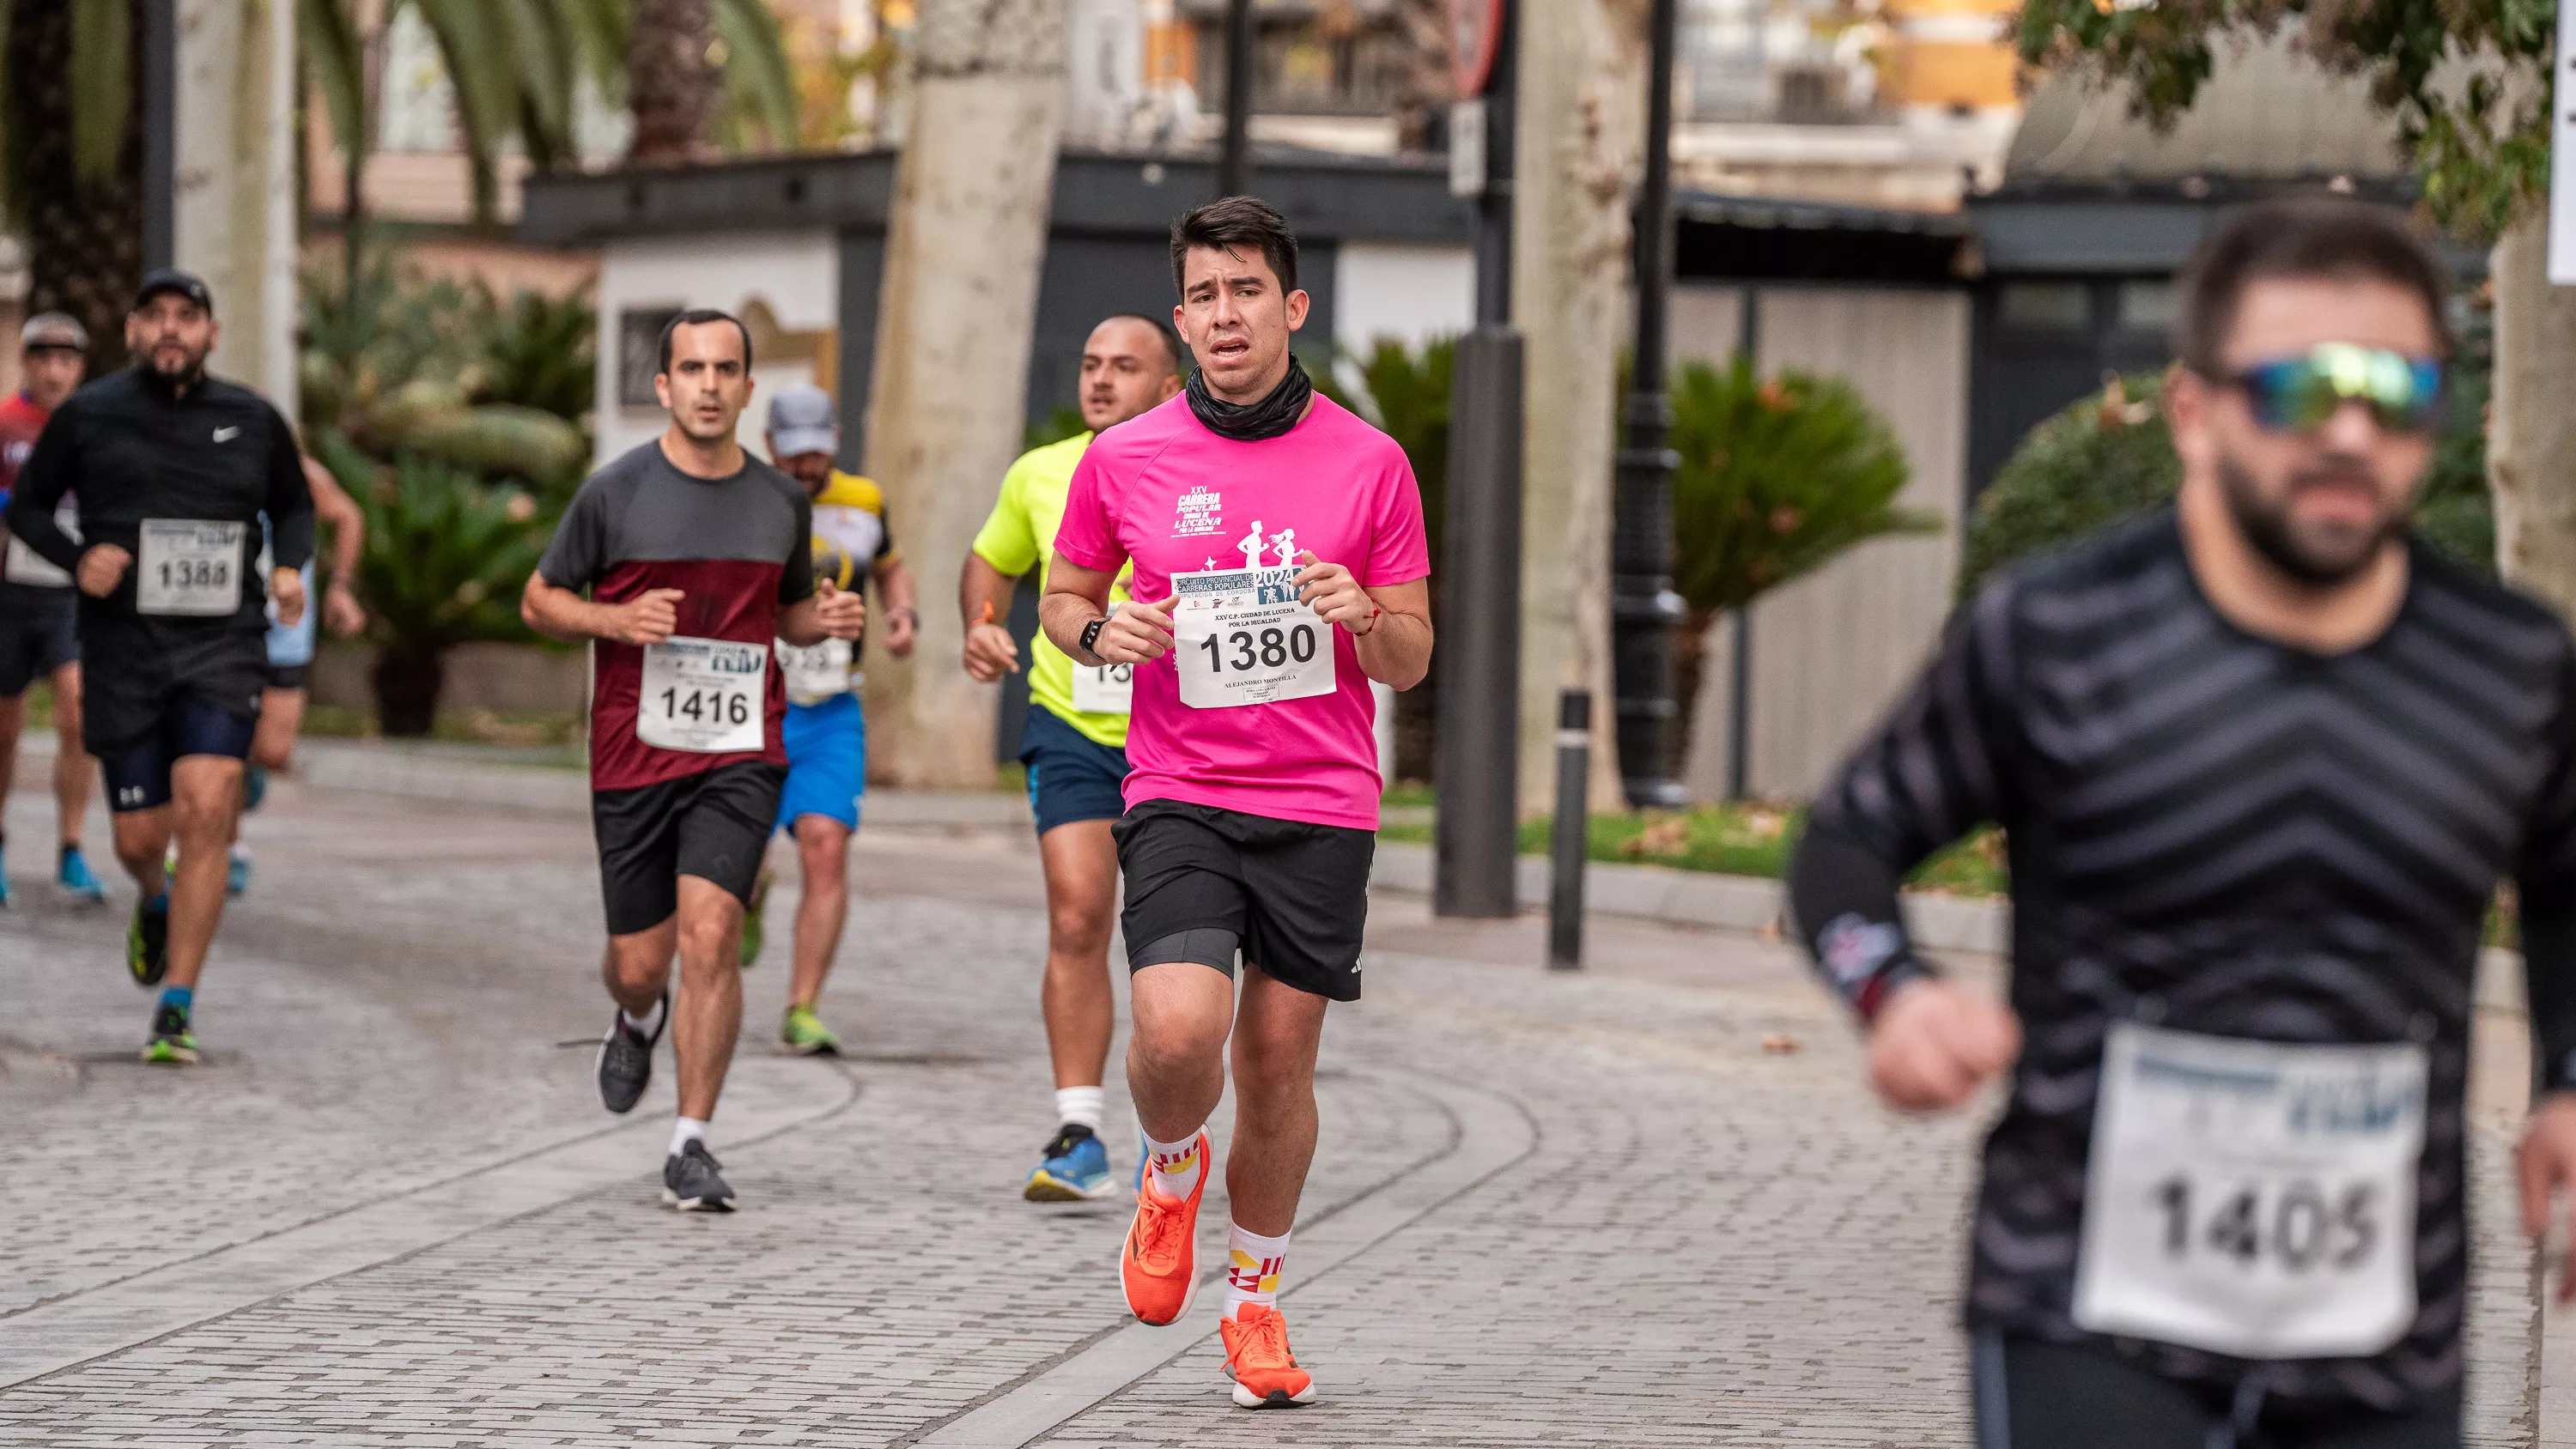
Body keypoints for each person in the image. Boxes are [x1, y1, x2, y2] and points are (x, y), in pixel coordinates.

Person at [1784, 193, 2576, 1449]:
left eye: (2398, 392)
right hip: (2086, 1308)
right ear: (2196, 413)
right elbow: (1844, 843)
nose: (2352, 433)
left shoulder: (2511, 664)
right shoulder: (2056, 635)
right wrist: (1896, 993)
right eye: (2303, 391)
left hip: (2384, 1333)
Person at [1041, 197, 1432, 1409]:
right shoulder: (1129, 458)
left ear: (1291, 306)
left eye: (1245, 291)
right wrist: (1108, 628)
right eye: (1204, 295)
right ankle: (1168, 1169)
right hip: (1181, 790)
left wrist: (1364, 615)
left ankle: (1254, 1297)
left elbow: (1413, 654)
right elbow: (1059, 598)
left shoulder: (1370, 463)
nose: (1224, 315)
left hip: (1321, 800)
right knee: (1172, 1033)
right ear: (1182, 315)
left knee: (1274, 1067)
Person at [520, 309, 866, 1213]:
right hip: (634, 749)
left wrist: (818, 622)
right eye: (692, 369)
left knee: (711, 931)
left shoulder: (780, 501)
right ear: (665, 386)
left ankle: (692, 1141)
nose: (710, 384)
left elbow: (782, 614)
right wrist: (612, 620)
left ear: (749, 388)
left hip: (741, 751)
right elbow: (540, 597)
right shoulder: (615, 491)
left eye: (727, 369)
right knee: (641, 960)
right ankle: (637, 1015)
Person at [5, 270, 313, 1064]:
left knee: (208, 805)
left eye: (188, 317)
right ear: (134, 331)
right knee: (142, 837)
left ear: (213, 332)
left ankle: (177, 1005)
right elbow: (29, 506)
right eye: (155, 317)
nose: (171, 330)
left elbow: (295, 506)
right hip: (123, 649)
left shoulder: (252, 419)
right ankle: (153, 896)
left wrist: (287, 570)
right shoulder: (89, 415)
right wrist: (80, 561)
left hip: (222, 644)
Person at [963, 312, 1185, 1201]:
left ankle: (1167, 1128)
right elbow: (992, 562)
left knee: (1171, 944)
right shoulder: (1042, 471)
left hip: (1181, 739)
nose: (1100, 380)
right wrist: (981, 629)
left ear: (1170, 386)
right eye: (1091, 364)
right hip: (1073, 726)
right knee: (1077, 913)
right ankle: (1079, 1126)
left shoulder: (1199, 467)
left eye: (1125, 367)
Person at [740, 384, 916, 1055]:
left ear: (834, 440)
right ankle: (749, 893)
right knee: (741, 855)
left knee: (827, 846)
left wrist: (903, 615)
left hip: (831, 704)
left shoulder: (864, 500)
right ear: (769, 447)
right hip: (754, 702)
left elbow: (890, 569)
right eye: (794, 456)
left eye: (816, 453)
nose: (806, 467)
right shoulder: (747, 496)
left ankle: (802, 1007)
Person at [0, 312, 107, 905]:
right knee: (5, 729)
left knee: (78, 712)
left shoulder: (93, 427)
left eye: (66, 360)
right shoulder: (6, 423)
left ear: (80, 369)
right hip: (9, 594)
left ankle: (71, 848)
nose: (54, 370)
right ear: (26, 363)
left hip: (67, 596)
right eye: (43, 358)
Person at [223, 456, 367, 894]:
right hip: (226, 628)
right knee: (223, 743)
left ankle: (245, 776)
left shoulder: (302, 474)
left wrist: (340, 586)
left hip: (286, 629)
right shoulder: (211, 464)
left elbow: (349, 517)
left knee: (272, 750)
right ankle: (229, 846)